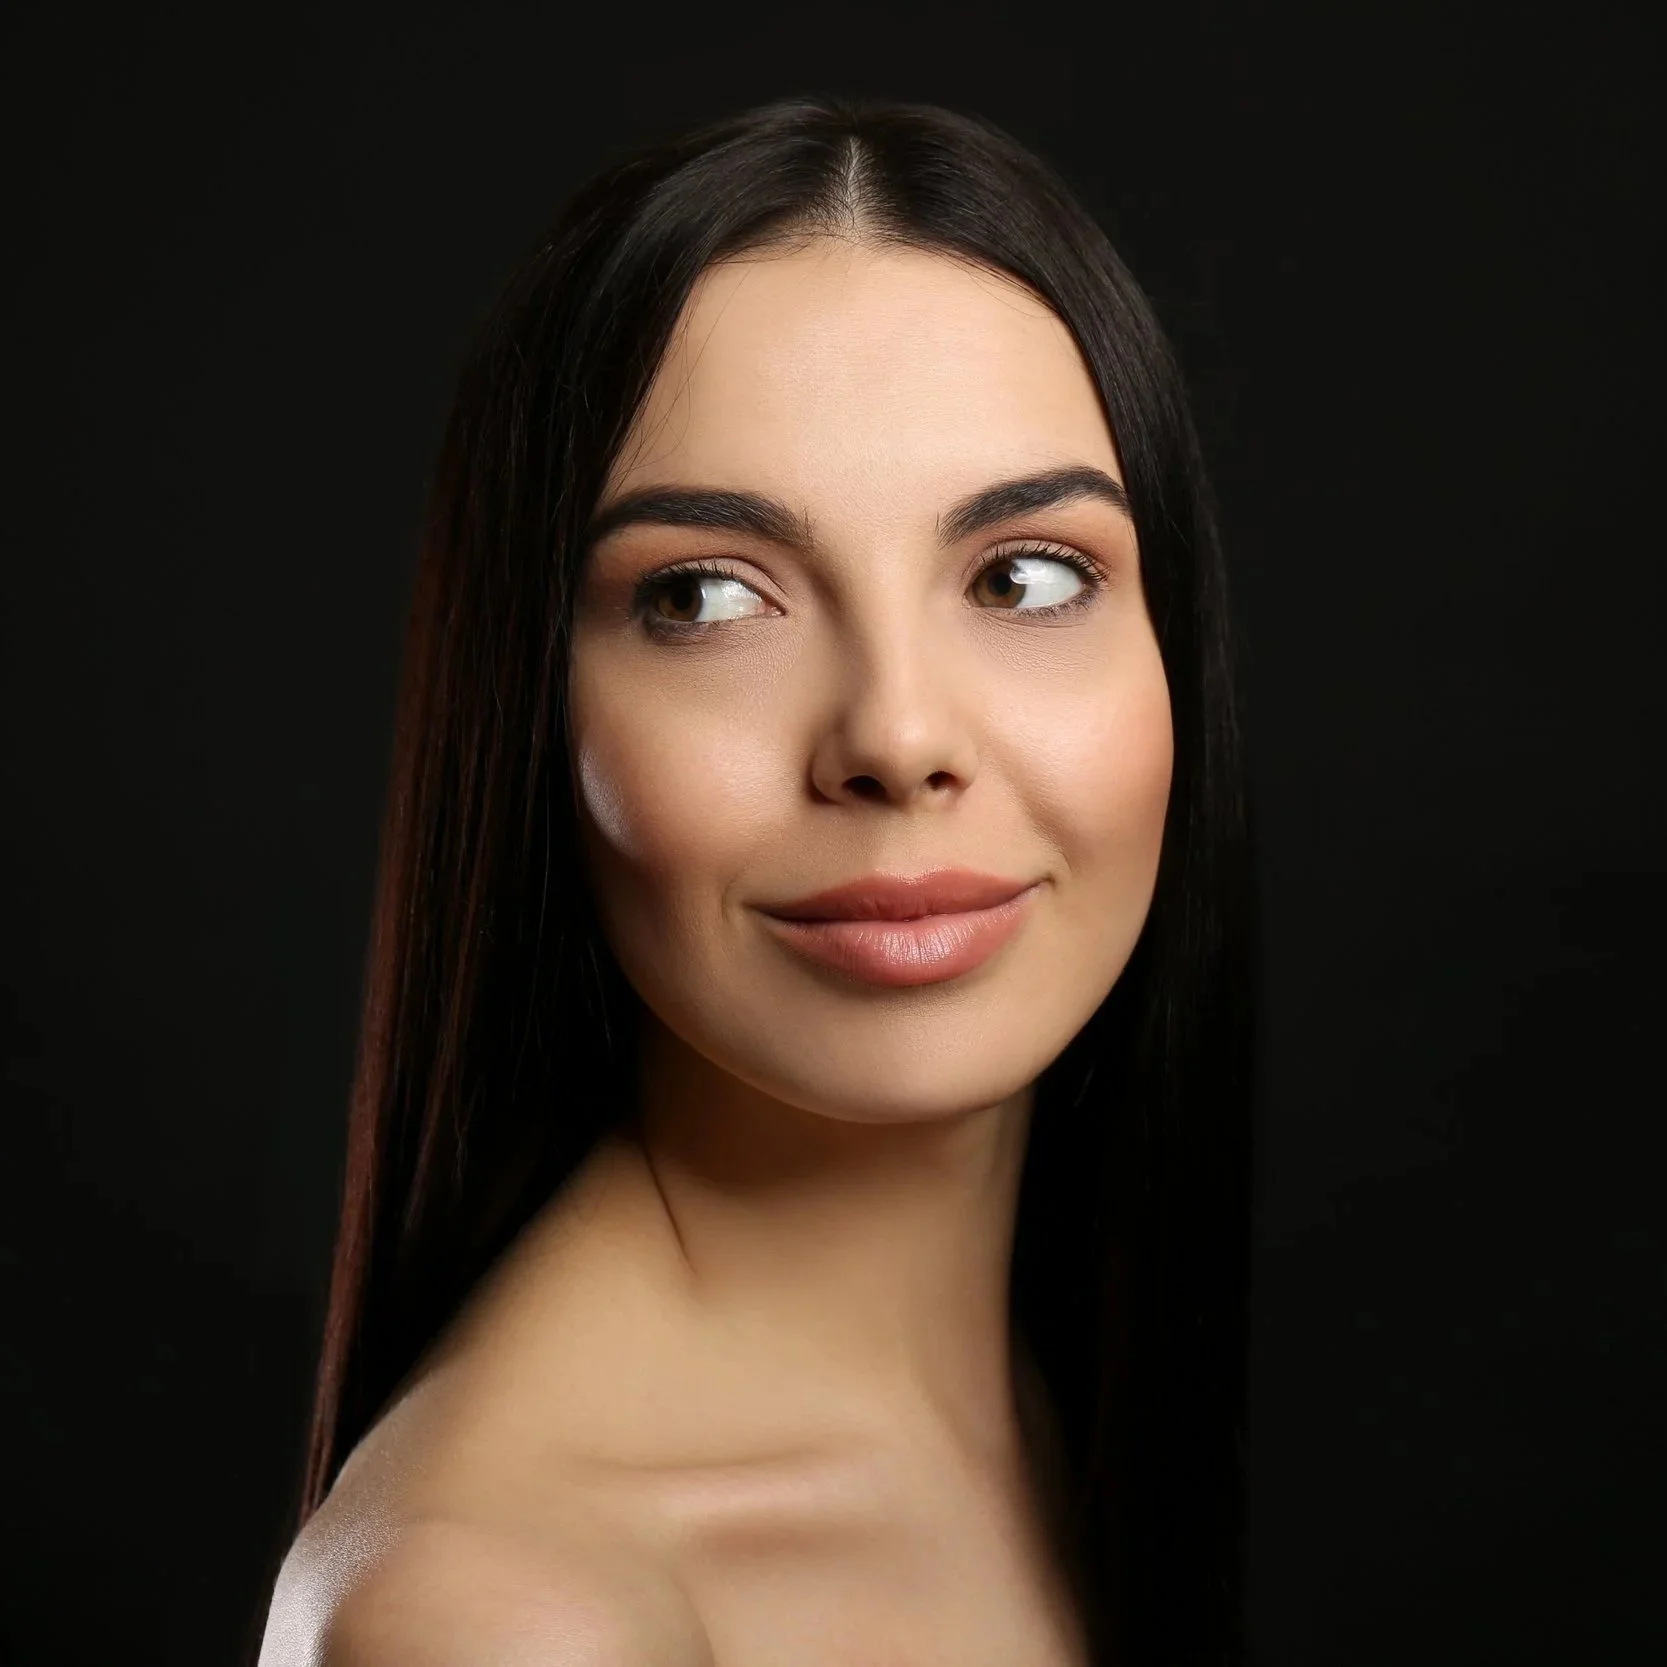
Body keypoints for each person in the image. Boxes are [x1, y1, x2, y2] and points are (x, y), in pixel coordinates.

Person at [255, 93, 1256, 1667]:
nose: (898, 735)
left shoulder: (1048, 1396)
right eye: (709, 596)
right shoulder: (503, 1621)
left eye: (1024, 573)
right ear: (528, 709)